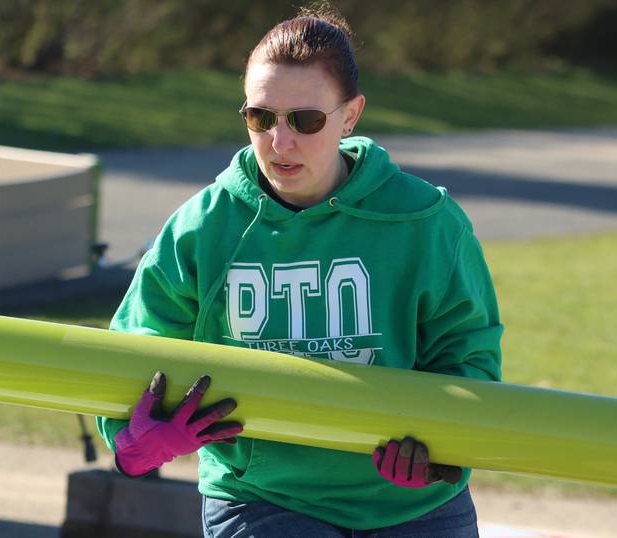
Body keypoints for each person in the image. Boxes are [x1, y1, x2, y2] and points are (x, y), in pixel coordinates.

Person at [97, 5, 502, 537]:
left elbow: (469, 354)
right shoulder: (203, 225)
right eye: (260, 118)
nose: (279, 142)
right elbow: (138, 346)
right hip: (261, 497)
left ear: (350, 115)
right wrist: (131, 440)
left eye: (305, 120)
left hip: (415, 504)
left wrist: (442, 452)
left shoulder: (425, 219)